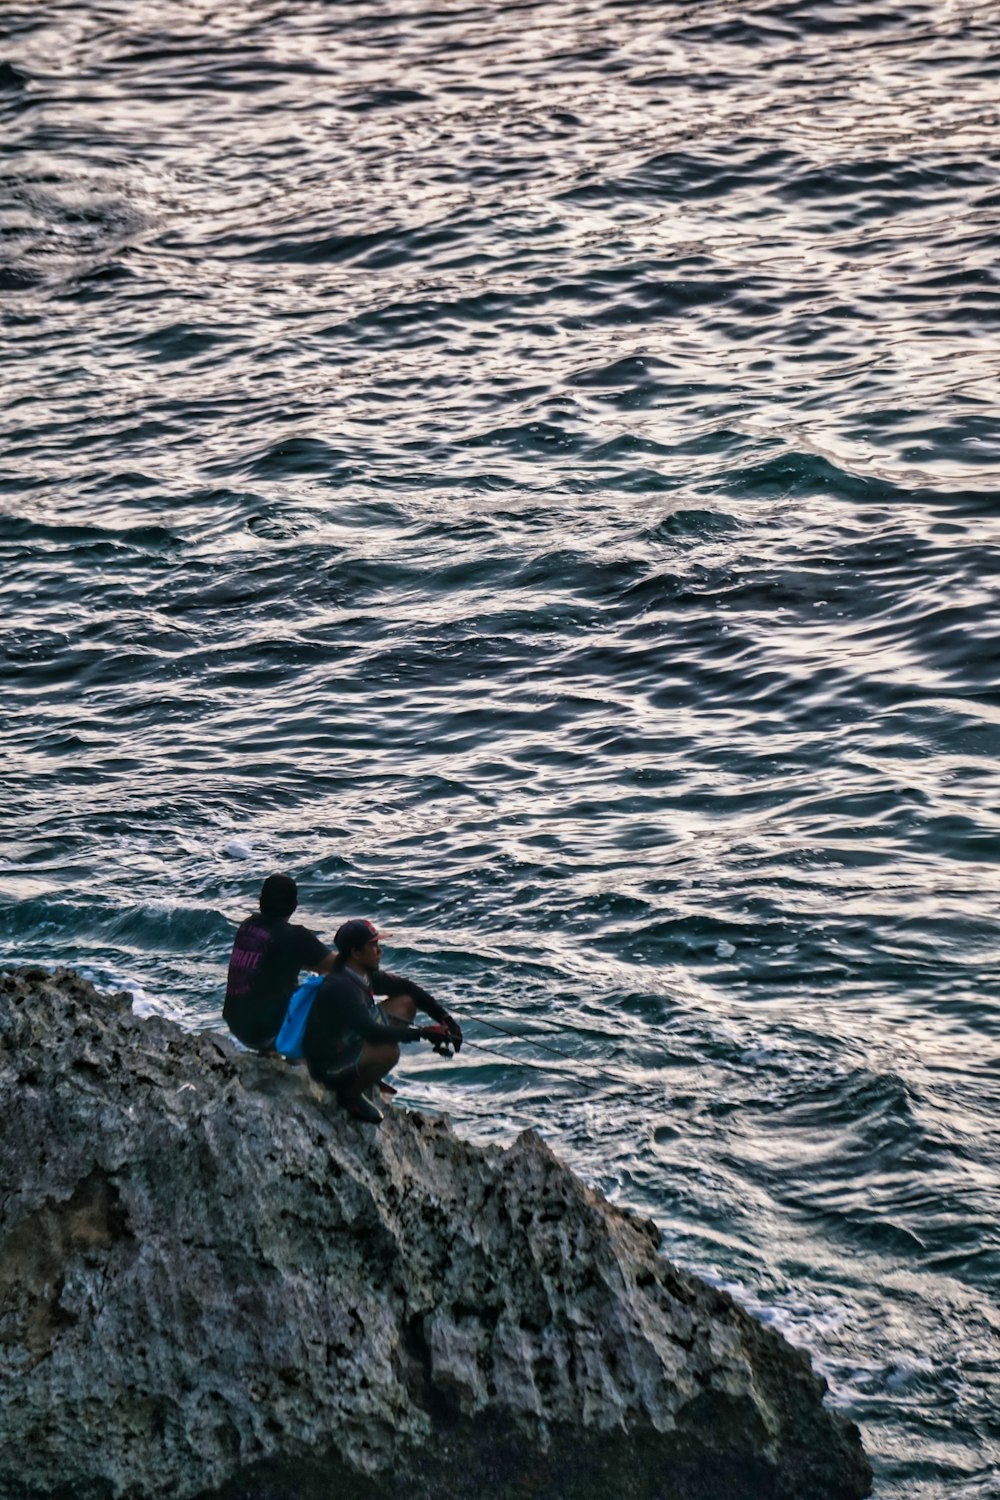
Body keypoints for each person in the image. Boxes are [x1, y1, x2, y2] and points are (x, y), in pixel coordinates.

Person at [303, 918, 463, 1124]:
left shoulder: (364, 975)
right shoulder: (341, 986)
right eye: (373, 946)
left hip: (349, 1041)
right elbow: (372, 1033)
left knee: (406, 1002)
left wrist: (446, 1019)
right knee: (388, 1051)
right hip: (327, 1065)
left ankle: (365, 1072)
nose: (379, 951)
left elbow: (409, 988)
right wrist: (422, 1034)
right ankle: (349, 1095)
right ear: (356, 953)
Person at [223, 874, 335, 1050]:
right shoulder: (295, 936)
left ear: (261, 901)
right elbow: (341, 965)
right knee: (336, 987)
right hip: (265, 1032)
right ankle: (310, 1065)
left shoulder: (248, 926)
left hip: (236, 1023)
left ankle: (274, 1055)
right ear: (295, 905)